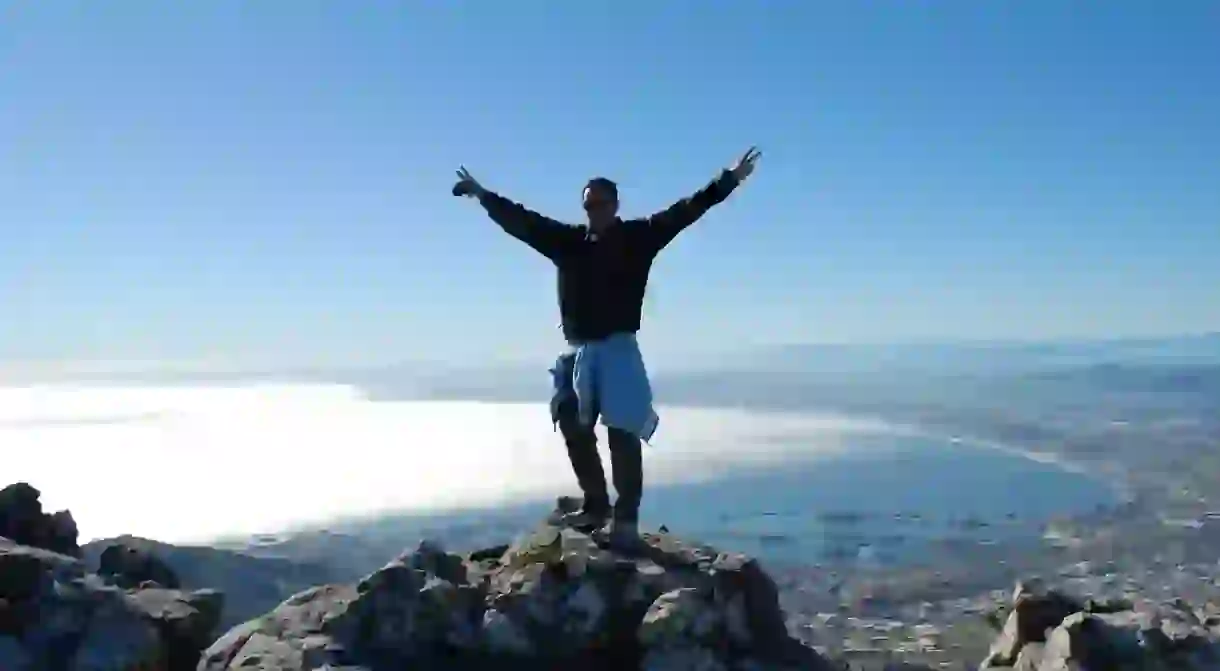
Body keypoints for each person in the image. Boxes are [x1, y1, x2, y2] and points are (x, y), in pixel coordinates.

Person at [453, 147, 762, 548]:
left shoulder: (638, 237)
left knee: (622, 431)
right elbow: (524, 222)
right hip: (579, 350)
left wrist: (728, 180)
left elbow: (685, 211)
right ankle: (596, 503)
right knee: (569, 416)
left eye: (601, 203)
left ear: (615, 205)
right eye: (588, 204)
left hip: (618, 349)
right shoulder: (567, 242)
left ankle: (626, 519)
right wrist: (483, 195)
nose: (594, 210)